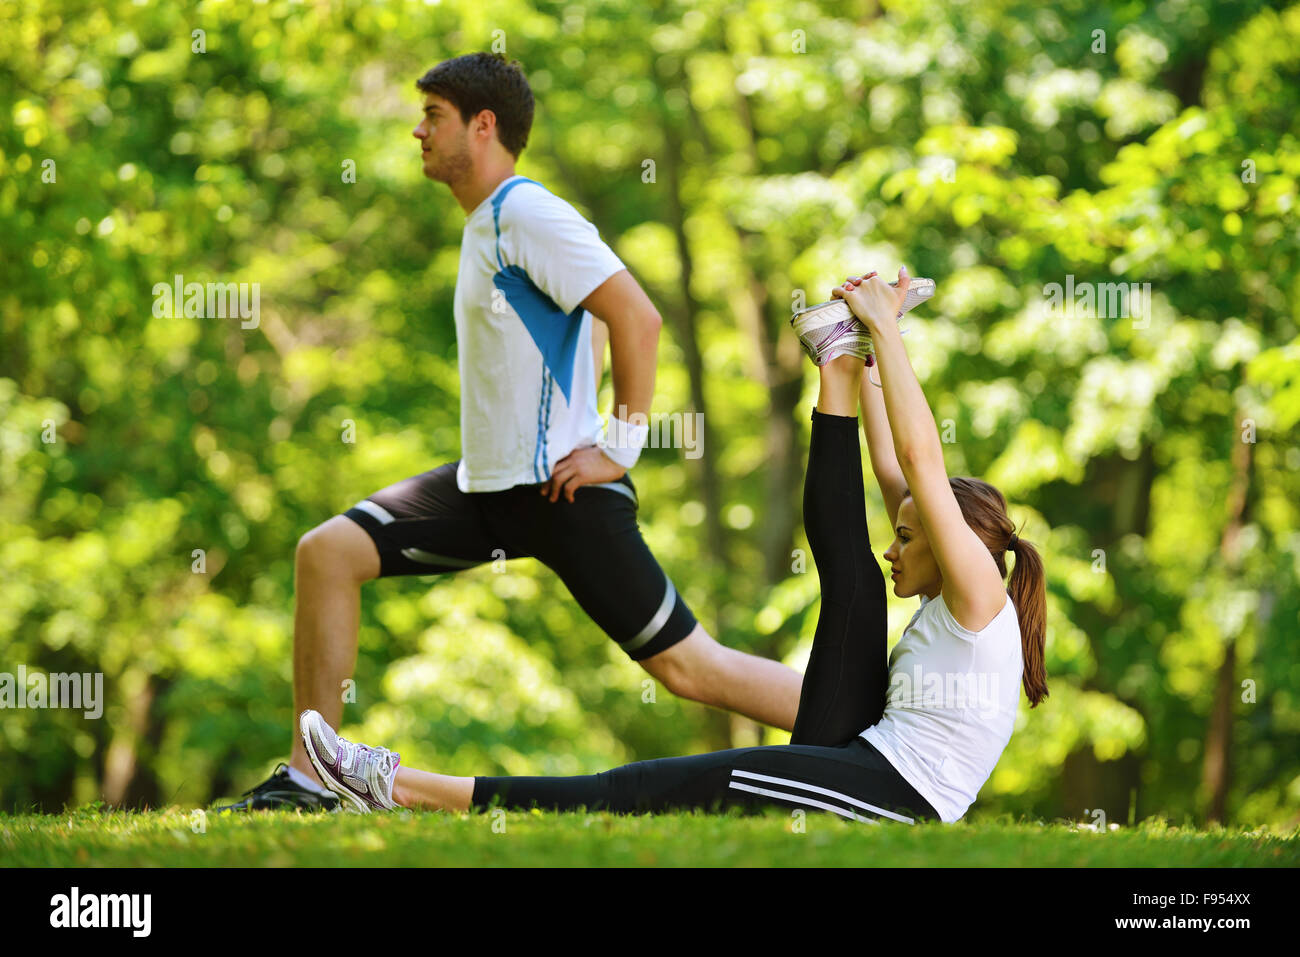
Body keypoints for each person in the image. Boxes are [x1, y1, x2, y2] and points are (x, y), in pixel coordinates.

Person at [218, 52, 804, 812]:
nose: (418, 130)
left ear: (482, 125)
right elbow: (584, 322)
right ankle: (311, 777)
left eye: (433, 116)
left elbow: (637, 315)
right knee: (327, 552)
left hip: (560, 493)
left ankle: (872, 732)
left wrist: (612, 447)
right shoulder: (486, 223)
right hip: (483, 488)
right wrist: (579, 406)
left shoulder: (528, 211)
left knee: (689, 669)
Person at [295, 268, 1050, 825]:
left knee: (643, 787)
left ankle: (394, 784)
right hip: (867, 745)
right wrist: (866, 361)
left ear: (958, 544)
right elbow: (894, 472)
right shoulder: (959, 585)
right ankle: (835, 361)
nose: (897, 546)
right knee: (848, 574)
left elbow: (919, 462)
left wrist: (888, 325)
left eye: (910, 536)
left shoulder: (978, 593)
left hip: (894, 793)